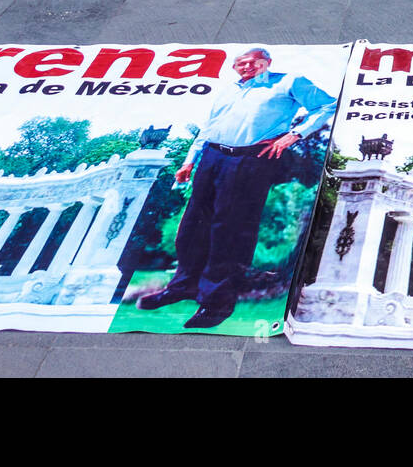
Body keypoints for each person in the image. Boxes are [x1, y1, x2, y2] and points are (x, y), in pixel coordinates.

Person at [136, 48, 337, 329]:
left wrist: (294, 135)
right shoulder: (229, 91)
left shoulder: (289, 82)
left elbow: (328, 105)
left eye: (254, 61)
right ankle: (183, 286)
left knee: (228, 231)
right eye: (240, 63)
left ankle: (216, 303)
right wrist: (189, 161)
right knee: (192, 227)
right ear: (234, 67)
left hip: (249, 160)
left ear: (267, 62)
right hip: (212, 157)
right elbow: (209, 127)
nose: (247, 66)